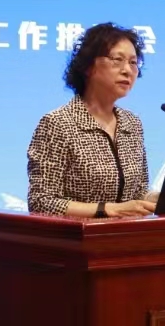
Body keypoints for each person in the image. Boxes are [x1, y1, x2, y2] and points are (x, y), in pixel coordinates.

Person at [27, 23, 158, 218]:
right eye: (117, 60)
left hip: (126, 235)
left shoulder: (132, 123)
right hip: (75, 235)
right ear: (88, 66)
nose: (127, 70)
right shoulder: (58, 123)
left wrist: (164, 197)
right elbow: (41, 201)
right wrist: (106, 209)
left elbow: (137, 193)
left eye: (133, 62)